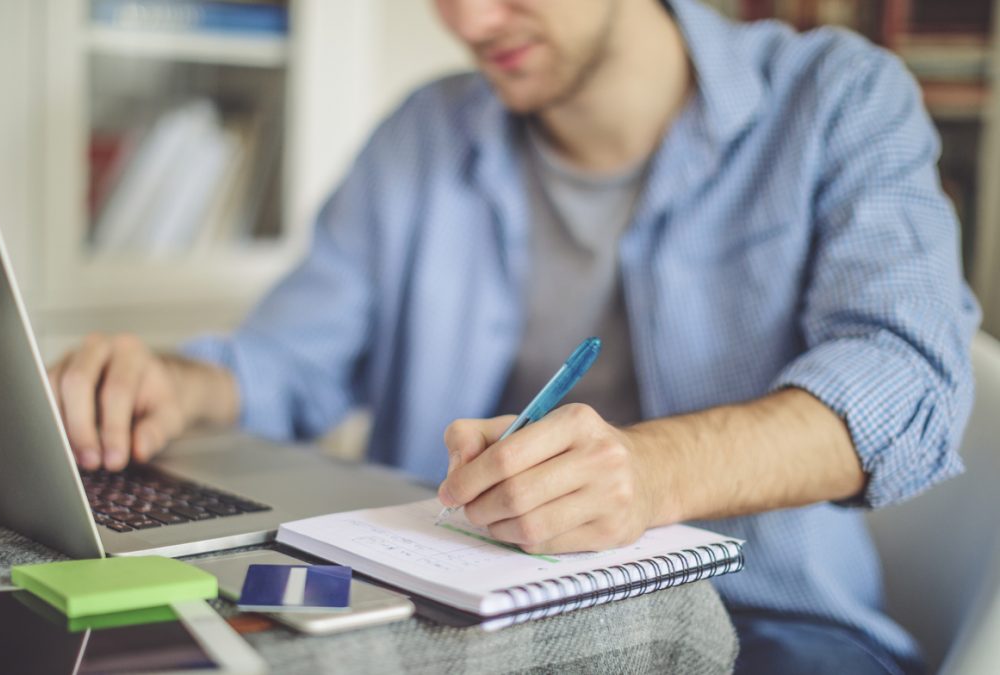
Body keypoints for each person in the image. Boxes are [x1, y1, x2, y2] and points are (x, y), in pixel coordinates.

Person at [48, 0, 980, 672]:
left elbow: (907, 382)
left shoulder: (839, 101)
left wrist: (654, 472)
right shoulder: (423, 134)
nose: (466, 18)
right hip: (450, 612)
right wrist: (170, 382)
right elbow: (290, 358)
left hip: (772, 623)